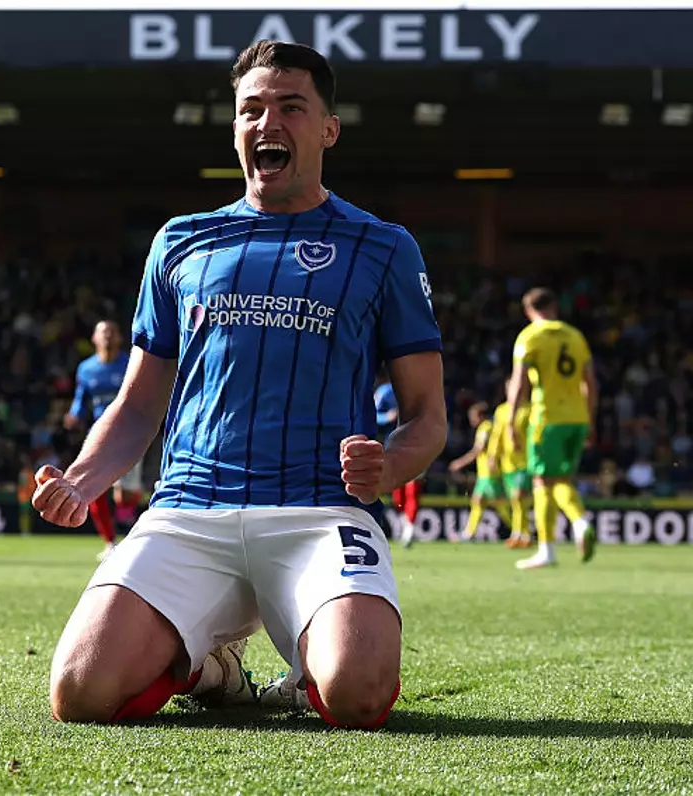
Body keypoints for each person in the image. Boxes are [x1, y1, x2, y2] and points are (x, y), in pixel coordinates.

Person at [32, 40, 446, 729]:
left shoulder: (383, 247)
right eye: (251, 109)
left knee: (358, 694)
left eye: (291, 106)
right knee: (79, 692)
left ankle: (307, 665)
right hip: (190, 511)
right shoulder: (181, 241)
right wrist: (81, 479)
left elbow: (427, 416)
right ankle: (210, 665)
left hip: (320, 513)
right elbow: (138, 405)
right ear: (234, 129)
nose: (267, 122)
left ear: (329, 129)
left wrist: (391, 465)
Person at [506, 288, 597, 570]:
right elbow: (591, 382)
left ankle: (558, 540)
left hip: (548, 418)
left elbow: (519, 383)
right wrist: (590, 419)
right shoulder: (575, 336)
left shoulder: (530, 336)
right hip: (577, 418)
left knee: (542, 482)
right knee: (561, 481)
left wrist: (510, 421)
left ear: (528, 311)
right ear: (555, 306)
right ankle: (578, 524)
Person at [64, 320, 140, 560]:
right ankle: (110, 543)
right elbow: (81, 398)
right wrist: (74, 415)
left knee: (126, 495)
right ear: (94, 339)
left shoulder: (129, 364)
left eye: (111, 333)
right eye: (102, 333)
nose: (107, 337)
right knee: (95, 489)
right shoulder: (86, 369)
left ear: (119, 338)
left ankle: (131, 532)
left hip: (129, 433)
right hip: (99, 435)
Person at [374, 371, 421, 546]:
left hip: (414, 448)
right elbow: (372, 415)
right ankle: (405, 526)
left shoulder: (416, 390)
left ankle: (409, 530)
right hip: (391, 449)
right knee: (398, 496)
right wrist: (387, 417)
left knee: (412, 491)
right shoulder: (385, 392)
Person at [447, 402, 501, 543]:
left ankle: (520, 530)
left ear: (481, 416)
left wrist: (460, 463)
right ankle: (469, 533)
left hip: (490, 473)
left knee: (501, 503)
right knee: (478, 502)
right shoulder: (489, 427)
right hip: (486, 473)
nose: (472, 420)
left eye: (473, 416)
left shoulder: (485, 428)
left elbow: (478, 450)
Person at [489, 381, 533, 548]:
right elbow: (496, 436)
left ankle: (520, 534)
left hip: (525, 461)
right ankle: (523, 533)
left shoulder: (529, 410)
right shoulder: (501, 411)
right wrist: (493, 457)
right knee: (515, 500)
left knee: (518, 496)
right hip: (507, 463)